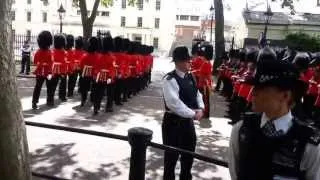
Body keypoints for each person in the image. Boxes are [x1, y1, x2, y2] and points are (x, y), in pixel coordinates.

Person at [228, 47, 320, 180]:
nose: (254, 92)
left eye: (262, 88)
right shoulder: (241, 130)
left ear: (285, 95)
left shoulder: (308, 144)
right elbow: (235, 174)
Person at [162, 46, 204, 180]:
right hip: (173, 124)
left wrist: (201, 108)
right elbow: (174, 104)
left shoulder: (190, 76)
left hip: (187, 123)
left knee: (188, 158)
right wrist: (194, 114)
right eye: (187, 60)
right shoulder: (169, 79)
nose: (189, 62)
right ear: (178, 62)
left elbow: (197, 94)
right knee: (171, 160)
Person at [31, 31, 53, 109]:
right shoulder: (49, 52)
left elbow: (35, 62)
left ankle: (34, 102)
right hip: (47, 72)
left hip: (39, 72)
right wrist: (50, 72)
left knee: (38, 87)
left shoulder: (37, 52)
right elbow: (51, 63)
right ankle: (50, 101)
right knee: (50, 87)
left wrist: (39, 66)